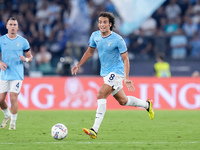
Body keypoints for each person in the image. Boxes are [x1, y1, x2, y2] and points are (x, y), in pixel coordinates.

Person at [71, 12, 154, 139]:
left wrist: (126, 78)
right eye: (100, 22)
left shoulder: (118, 39)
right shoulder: (95, 36)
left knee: (101, 94)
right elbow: (90, 51)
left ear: (110, 24)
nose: (102, 24)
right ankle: (147, 105)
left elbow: (126, 59)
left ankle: (94, 129)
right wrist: (79, 64)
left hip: (117, 72)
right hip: (105, 72)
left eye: (104, 22)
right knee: (123, 101)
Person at [0, 17, 33, 130]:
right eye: (11, 24)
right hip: (4, 74)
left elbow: (30, 57)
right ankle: (7, 115)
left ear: (17, 27)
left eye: (15, 24)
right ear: (7, 26)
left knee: (13, 96)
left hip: (17, 75)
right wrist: (0, 62)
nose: (13, 26)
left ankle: (13, 123)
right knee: (0, 100)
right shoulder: (1, 40)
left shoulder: (23, 41)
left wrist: (26, 60)